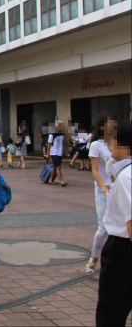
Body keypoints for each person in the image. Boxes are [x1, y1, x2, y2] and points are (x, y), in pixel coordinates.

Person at [95, 120, 131, 327]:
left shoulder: (126, 177)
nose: (109, 145)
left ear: (125, 147)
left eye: (114, 140)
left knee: (110, 313)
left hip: (122, 250)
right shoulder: (123, 173)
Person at [86, 120, 113, 275]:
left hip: (118, 188)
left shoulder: (118, 143)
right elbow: (95, 170)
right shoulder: (97, 145)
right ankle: (94, 258)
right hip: (103, 189)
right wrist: (103, 189)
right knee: (103, 228)